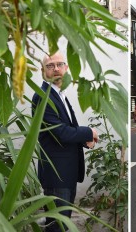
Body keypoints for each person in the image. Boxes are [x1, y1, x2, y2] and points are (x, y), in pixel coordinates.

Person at [32, 51, 98, 231]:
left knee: (62, 223)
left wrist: (85, 141)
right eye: (50, 66)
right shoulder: (43, 96)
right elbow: (59, 131)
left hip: (65, 173)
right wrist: (89, 132)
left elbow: (66, 129)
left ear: (66, 69)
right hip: (56, 175)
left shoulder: (59, 94)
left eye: (60, 64)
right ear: (42, 71)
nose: (56, 69)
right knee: (57, 226)